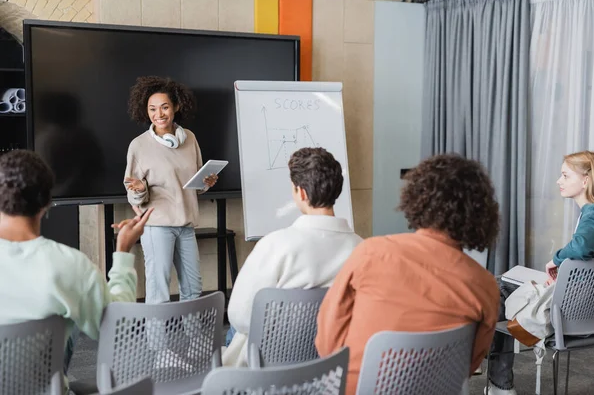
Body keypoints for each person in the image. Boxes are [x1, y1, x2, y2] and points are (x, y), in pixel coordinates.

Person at [315, 153, 501, 395]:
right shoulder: (485, 285)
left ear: (417, 198)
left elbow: (327, 342)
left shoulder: (372, 252)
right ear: (480, 213)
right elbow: (467, 365)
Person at [0, 150, 152, 376]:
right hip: (45, 388)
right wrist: (122, 251)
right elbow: (118, 329)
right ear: (47, 203)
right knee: (68, 317)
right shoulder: (69, 264)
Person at [222, 147, 363, 367]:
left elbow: (240, 316)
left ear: (302, 193)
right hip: (331, 365)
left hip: (268, 368)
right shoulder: (361, 248)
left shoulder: (275, 244)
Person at [487, 150, 594, 395]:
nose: (559, 181)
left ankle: (497, 383)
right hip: (589, 312)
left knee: (497, 287)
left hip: (569, 310)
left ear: (586, 180)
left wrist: (556, 259)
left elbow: (582, 246)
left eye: (565, 175)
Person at [124, 76, 218, 305]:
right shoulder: (139, 145)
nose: (159, 114)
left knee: (193, 290)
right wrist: (139, 189)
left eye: (165, 107)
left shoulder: (190, 139)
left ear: (176, 106)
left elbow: (193, 185)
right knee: (159, 292)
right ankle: (158, 343)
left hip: (186, 224)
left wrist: (206, 182)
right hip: (157, 226)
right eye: (153, 109)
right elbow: (133, 194)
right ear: (146, 111)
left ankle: (197, 342)